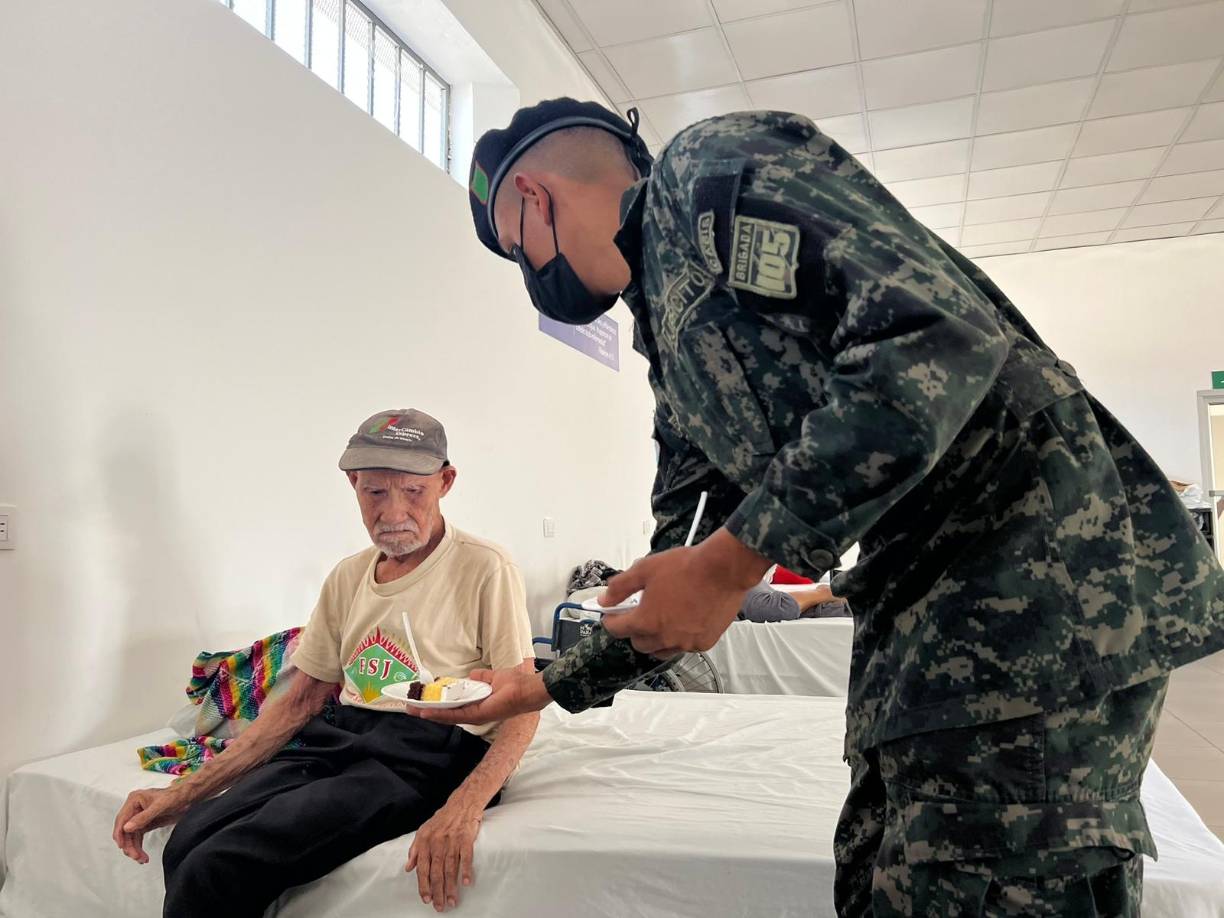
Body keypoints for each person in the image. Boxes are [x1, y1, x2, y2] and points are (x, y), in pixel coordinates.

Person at [416, 98, 1224, 916]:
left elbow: (929, 338)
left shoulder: (704, 175)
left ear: (532, 194)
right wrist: (543, 686)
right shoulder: (672, 340)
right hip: (920, 614)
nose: (536, 283)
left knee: (993, 881)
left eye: (522, 253)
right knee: (880, 876)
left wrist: (731, 564)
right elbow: (677, 583)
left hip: (1035, 586)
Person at [112, 409, 537, 916]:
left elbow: (523, 705)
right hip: (337, 736)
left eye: (414, 492)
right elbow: (301, 703)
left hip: (427, 753)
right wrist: (183, 792)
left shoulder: (485, 566)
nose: (393, 512)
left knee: (219, 866)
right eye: (375, 492)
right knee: (186, 841)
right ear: (353, 485)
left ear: (445, 482)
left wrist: (464, 808)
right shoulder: (347, 577)